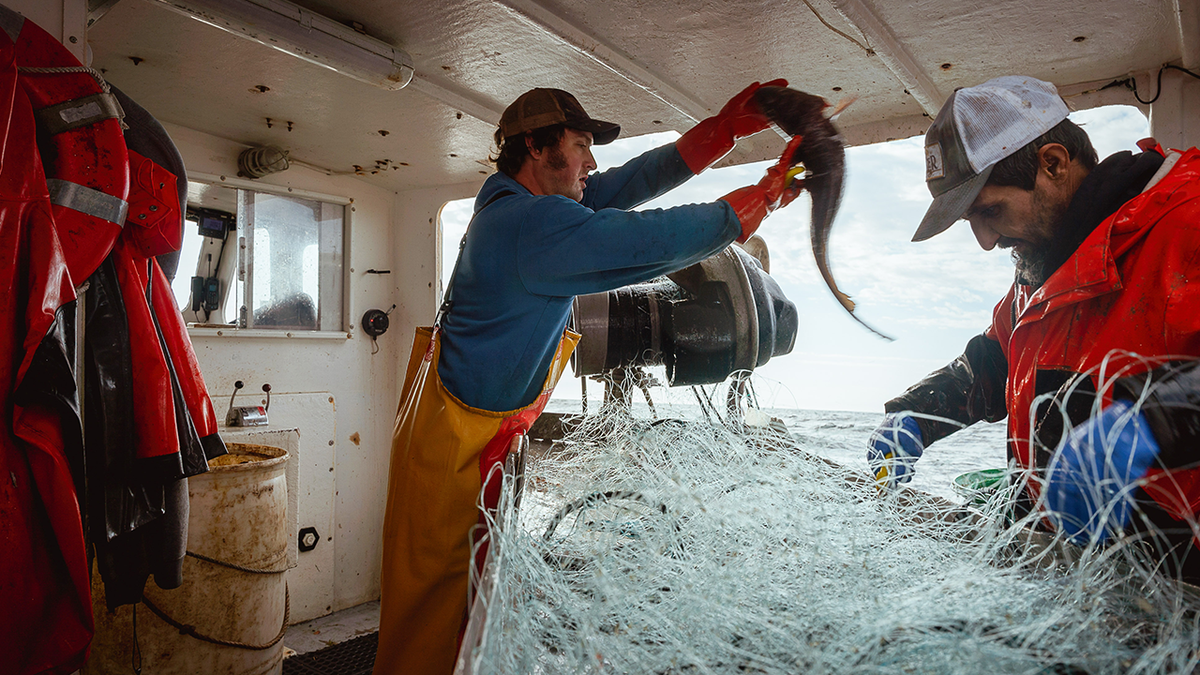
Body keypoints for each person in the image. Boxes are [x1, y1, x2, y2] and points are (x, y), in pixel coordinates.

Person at [375, 82, 807, 674]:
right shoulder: (532, 225)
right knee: (438, 621)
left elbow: (628, 184)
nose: (592, 162)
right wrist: (760, 200)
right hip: (454, 455)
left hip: (463, 438)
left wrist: (723, 130)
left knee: (468, 606)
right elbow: (648, 242)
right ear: (536, 146)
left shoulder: (512, 207)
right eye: (580, 145)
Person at [866, 75, 1200, 580]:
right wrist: (915, 414)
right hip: (1061, 574)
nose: (985, 241)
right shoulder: (1039, 271)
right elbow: (993, 363)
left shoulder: (1189, 221)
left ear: (1053, 163)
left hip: (1178, 586)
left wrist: (1155, 422)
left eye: (990, 212)